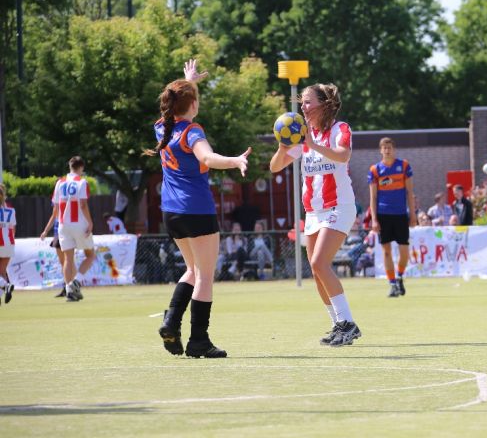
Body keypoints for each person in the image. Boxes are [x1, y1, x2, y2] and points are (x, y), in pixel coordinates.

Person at [150, 59, 251, 358]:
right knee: (205, 275)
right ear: (192, 104)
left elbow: (178, 102)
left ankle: (171, 322)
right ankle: (199, 341)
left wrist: (189, 82)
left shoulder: (162, 127)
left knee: (193, 270)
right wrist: (234, 160)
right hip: (196, 209)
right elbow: (207, 157)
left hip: (171, 212)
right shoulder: (191, 131)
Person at [270, 82, 362, 347]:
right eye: (302, 102)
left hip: (339, 206)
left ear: (325, 104)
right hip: (313, 212)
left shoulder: (339, 129)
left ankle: (348, 324)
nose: (303, 107)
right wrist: (283, 146)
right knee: (316, 270)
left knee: (321, 263)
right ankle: (337, 324)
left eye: (308, 102)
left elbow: (343, 155)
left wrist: (312, 144)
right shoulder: (303, 134)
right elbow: (275, 167)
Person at [367, 137, 416, 298]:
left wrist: (413, 214)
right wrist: (374, 219)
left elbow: (410, 193)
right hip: (383, 215)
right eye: (384, 148)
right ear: (380, 150)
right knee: (386, 251)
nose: (387, 150)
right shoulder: (375, 170)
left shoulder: (404, 166)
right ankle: (393, 284)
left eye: (389, 147)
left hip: (401, 214)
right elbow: (373, 197)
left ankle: (400, 276)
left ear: (394, 149)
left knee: (404, 251)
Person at [50, 156, 96, 302]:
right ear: (81, 167)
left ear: (70, 166)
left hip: (63, 225)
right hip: (79, 224)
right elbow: (83, 204)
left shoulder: (60, 182)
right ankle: (76, 281)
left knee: (68, 259)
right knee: (90, 255)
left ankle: (69, 291)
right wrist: (90, 222)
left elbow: (56, 207)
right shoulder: (82, 182)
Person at [40, 200, 67, 297]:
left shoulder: (62, 196)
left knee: (67, 262)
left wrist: (46, 231)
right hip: (59, 232)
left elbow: (54, 214)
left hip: (65, 230)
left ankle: (69, 287)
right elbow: (54, 215)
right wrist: (46, 231)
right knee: (64, 262)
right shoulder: (57, 197)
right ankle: (67, 287)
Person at [0, 184, 16, 305]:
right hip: (9, 244)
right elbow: (13, 228)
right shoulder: (11, 210)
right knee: (2, 271)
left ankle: (6, 286)